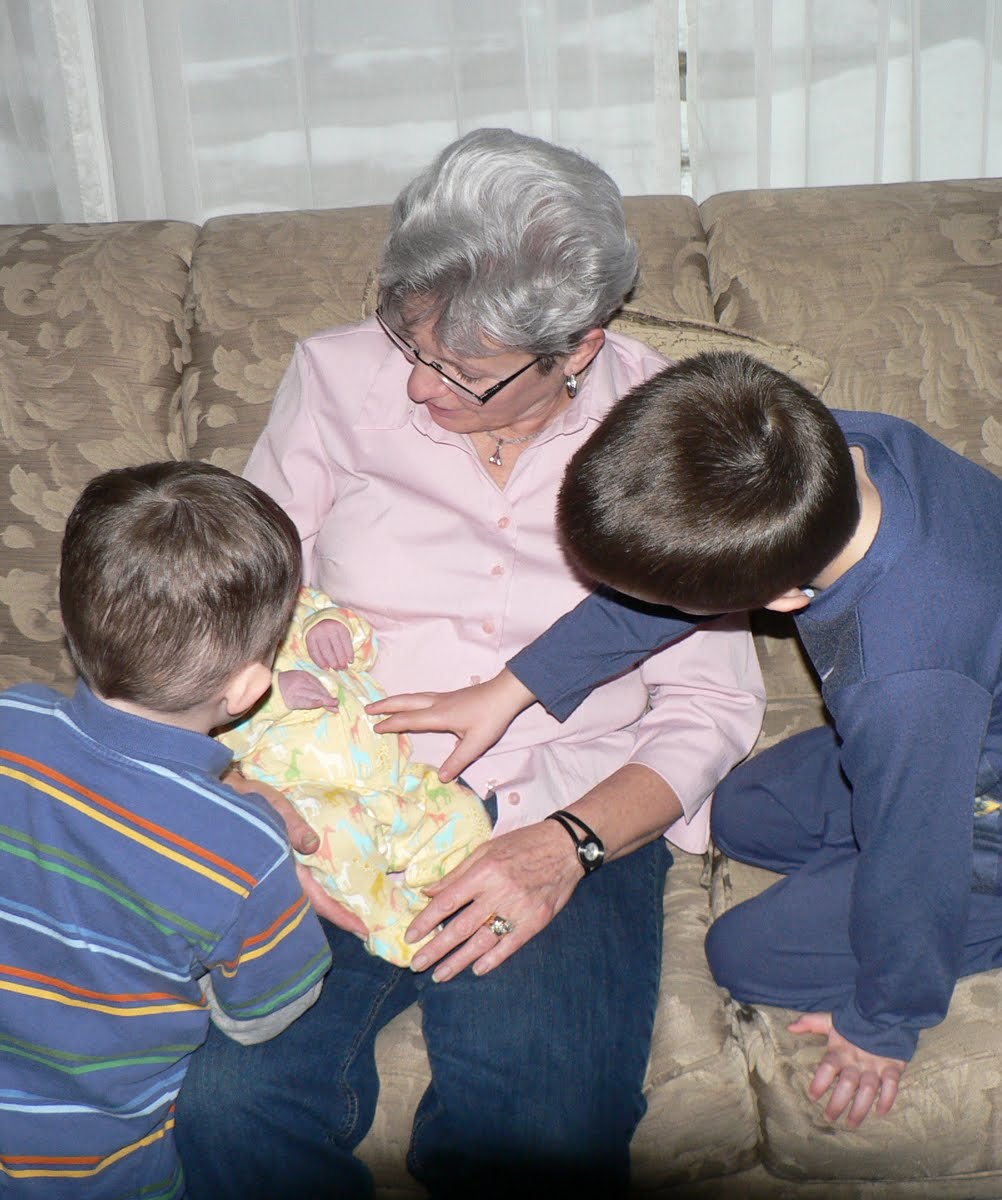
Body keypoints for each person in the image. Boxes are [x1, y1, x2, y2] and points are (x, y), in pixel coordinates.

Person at [374, 350, 1002, 1133]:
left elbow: (915, 859)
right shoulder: (822, 450)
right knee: (741, 810)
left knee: (746, 955)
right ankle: (994, 836)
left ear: (781, 600)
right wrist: (510, 689)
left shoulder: (904, 673)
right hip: (985, 732)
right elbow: (667, 588)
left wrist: (884, 1023)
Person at [173, 131, 764, 1197]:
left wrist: (567, 845)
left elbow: (709, 709)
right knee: (226, 1108)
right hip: (340, 796)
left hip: (561, 801)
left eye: (464, 371)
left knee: (538, 1137)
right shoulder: (335, 378)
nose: (416, 385)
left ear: (576, 349)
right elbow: (222, 609)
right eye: (409, 339)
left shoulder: (676, 431)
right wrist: (245, 801)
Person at [0, 461, 332, 1199]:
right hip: (81, 1177)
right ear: (248, 687)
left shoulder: (2, 725)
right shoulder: (248, 848)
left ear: (68, 620)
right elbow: (262, 1017)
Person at [218, 584, 492, 966]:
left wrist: (332, 625)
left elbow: (365, 648)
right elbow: (217, 736)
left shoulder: (299, 603)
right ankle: (390, 924)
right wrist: (273, 697)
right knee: (335, 830)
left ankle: (432, 899)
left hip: (393, 779)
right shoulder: (215, 650)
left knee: (460, 808)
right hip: (313, 794)